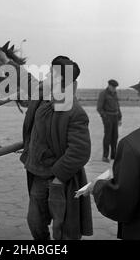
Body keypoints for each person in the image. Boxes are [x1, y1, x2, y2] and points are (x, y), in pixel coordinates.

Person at [91, 62, 140, 239]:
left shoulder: (133, 145)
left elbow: (119, 205)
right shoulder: (105, 94)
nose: (139, 102)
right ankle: (105, 154)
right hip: (108, 119)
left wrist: (98, 187)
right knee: (107, 139)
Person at [20, 56, 93, 240]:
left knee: (63, 231)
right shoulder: (43, 99)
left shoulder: (75, 111)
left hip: (59, 180)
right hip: (37, 174)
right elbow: (27, 82)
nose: (46, 75)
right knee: (35, 221)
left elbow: (80, 151)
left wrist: (59, 178)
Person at [97, 79, 122, 162]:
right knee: (108, 137)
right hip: (108, 117)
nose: (115, 89)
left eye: (115, 88)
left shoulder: (115, 94)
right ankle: (105, 156)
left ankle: (113, 155)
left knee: (115, 137)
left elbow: (117, 106)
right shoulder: (103, 94)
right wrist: (105, 117)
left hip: (115, 117)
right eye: (113, 87)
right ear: (109, 86)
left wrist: (119, 118)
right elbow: (99, 108)